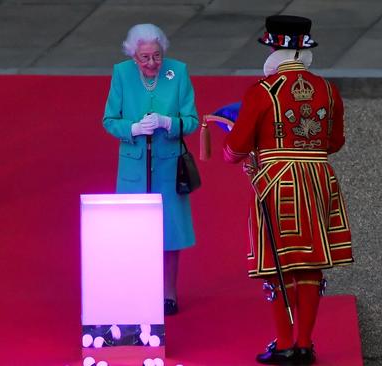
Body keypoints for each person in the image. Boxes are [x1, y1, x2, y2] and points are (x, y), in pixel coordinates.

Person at [223, 15, 353, 365]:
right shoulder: (328, 89)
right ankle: (305, 342)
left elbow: (235, 149)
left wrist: (240, 147)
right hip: (318, 180)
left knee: (278, 265)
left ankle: (284, 342)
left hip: (278, 183)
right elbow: (335, 142)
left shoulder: (262, 92)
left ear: (275, 49)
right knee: (310, 264)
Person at [103, 23, 199, 316]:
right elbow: (109, 120)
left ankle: (169, 293)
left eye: (156, 56)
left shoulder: (178, 72)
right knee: (134, 233)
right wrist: (133, 127)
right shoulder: (121, 74)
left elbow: (192, 120)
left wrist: (169, 122)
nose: (151, 63)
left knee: (169, 235)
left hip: (169, 166)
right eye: (144, 57)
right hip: (133, 166)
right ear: (133, 56)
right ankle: (137, 289)